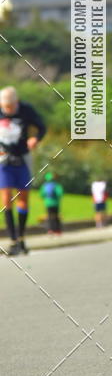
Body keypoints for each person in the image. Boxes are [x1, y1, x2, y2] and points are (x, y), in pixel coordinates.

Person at [0, 86, 46, 256]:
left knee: (23, 198)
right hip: (3, 160)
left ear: (16, 102)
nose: (8, 110)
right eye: (5, 107)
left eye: (10, 107)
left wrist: (35, 138)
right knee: (6, 199)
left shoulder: (26, 110)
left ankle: (21, 239)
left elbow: (42, 127)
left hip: (23, 158)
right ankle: (12, 241)